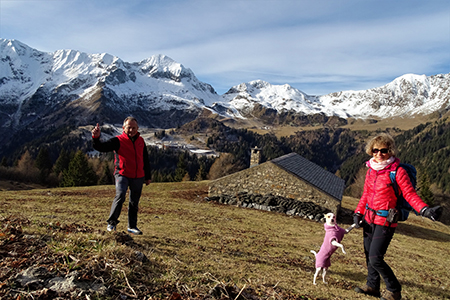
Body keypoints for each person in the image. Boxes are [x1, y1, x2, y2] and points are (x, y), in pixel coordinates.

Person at [353, 133, 442, 300]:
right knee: (368, 254)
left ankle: (394, 290)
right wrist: (358, 212)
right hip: (369, 219)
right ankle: (372, 286)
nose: (379, 154)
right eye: (375, 150)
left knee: (375, 257)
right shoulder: (371, 170)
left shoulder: (398, 172)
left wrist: (424, 210)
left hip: (386, 220)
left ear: (391, 151)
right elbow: (365, 195)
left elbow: (409, 194)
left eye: (384, 150)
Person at [92, 117, 151, 235]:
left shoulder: (141, 141)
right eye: (129, 127)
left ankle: (132, 226)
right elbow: (101, 147)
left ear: (138, 128)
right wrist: (96, 138)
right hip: (122, 174)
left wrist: (147, 176)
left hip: (138, 176)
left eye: (134, 128)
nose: (131, 130)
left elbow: (145, 159)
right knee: (120, 195)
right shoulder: (118, 140)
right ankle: (111, 223)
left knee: (134, 202)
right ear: (123, 128)